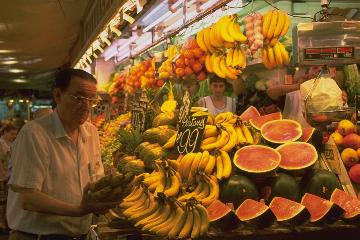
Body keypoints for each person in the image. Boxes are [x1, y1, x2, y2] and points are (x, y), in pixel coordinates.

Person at [7, 69, 117, 240]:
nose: (87, 106)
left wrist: (106, 198)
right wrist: (79, 210)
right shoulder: (34, 134)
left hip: (81, 235)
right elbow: (28, 198)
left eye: (91, 100)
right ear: (58, 95)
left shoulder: (92, 133)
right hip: (37, 236)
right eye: (79, 98)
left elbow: (95, 181)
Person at [0, 123, 18, 233]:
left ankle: (6, 222)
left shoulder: (11, 144)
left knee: (7, 201)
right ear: (5, 132)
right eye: (11, 134)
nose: (14, 136)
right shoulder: (1, 144)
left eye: (15, 134)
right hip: (2, 177)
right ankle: (1, 224)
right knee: (2, 201)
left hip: (9, 176)